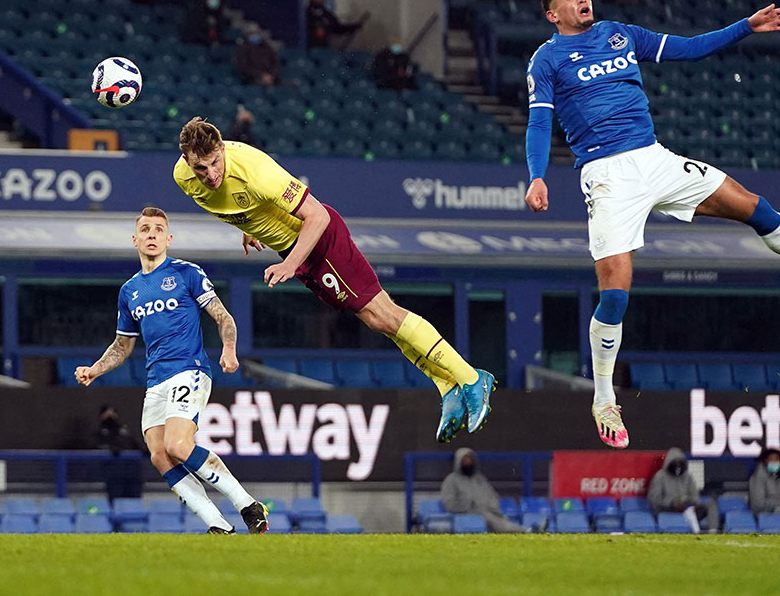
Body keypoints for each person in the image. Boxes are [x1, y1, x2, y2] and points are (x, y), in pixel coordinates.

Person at [523, 0, 780, 449]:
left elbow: (691, 48)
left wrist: (746, 25)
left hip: (655, 158)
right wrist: (537, 174)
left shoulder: (620, 33)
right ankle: (603, 398)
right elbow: (539, 121)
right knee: (616, 292)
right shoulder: (547, 58)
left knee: (751, 206)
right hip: (607, 174)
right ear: (552, 15)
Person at [173, 118, 495, 443]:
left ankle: (470, 378)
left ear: (223, 149)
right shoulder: (182, 177)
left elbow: (318, 216)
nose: (211, 174)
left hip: (318, 241)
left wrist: (290, 263)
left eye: (216, 162)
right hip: (302, 255)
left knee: (384, 314)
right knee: (378, 320)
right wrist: (249, 227)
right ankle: (447, 386)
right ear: (188, 162)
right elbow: (234, 201)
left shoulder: (256, 171)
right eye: (202, 168)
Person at [75, 207, 269, 534]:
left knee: (179, 446)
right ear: (135, 239)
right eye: (146, 229)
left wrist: (230, 348)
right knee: (159, 455)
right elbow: (123, 345)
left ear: (169, 238)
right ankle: (218, 525)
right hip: (156, 381)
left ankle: (246, 504)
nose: (152, 235)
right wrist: (95, 369)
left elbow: (223, 316)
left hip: (189, 370)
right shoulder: (130, 291)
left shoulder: (186, 273)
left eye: (159, 229)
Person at [440, 448, 541, 533]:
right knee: (491, 520)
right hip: (469, 513)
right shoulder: (451, 480)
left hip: (488, 511)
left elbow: (492, 496)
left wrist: (491, 507)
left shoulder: (480, 479)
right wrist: (467, 504)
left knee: (501, 519)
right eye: (465, 459)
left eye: (470, 459)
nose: (468, 462)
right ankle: (527, 531)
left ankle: (528, 530)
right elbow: (449, 502)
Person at [647, 448, 718, 533]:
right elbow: (654, 499)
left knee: (710, 504)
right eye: (675, 462)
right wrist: (673, 503)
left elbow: (694, 494)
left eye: (680, 462)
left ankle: (713, 531)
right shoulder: (660, 477)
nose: (678, 464)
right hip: (668, 508)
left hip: (688, 507)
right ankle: (695, 530)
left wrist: (694, 503)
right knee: (683, 511)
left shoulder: (687, 476)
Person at [96, 404, 143, 501]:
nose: (110, 416)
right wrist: (111, 448)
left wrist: (142, 449)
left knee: (134, 502)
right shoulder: (100, 433)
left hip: (132, 473)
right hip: (114, 475)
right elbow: (97, 446)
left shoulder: (124, 430)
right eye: (107, 413)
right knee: (116, 501)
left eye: (112, 413)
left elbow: (134, 443)